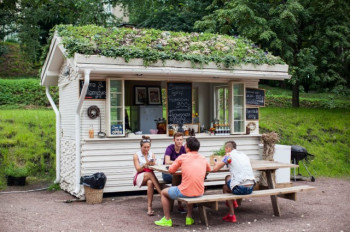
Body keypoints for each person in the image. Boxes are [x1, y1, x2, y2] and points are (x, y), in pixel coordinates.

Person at [155, 137, 211, 227]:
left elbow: (171, 170)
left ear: (187, 148)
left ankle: (167, 219)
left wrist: (181, 166)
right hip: (200, 192)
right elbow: (209, 169)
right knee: (189, 187)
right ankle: (189, 217)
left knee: (163, 192)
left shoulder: (182, 157)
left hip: (185, 191)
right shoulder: (203, 158)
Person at [212, 140, 256, 223]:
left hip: (241, 188)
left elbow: (215, 169)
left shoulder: (229, 156)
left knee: (225, 187)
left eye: (225, 149)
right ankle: (233, 202)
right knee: (228, 177)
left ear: (228, 149)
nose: (225, 150)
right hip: (251, 187)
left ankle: (232, 214)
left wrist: (216, 163)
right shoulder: (244, 155)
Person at [133, 136, 162, 216]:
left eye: (148, 147)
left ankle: (149, 208)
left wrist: (152, 164)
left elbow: (154, 167)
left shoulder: (152, 154)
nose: (146, 149)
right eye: (144, 147)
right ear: (141, 146)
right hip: (139, 176)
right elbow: (138, 169)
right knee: (149, 174)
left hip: (149, 176)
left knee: (150, 182)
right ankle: (161, 193)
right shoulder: (136, 155)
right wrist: (144, 165)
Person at [162, 132, 187, 213]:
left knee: (186, 179)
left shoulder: (183, 149)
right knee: (178, 179)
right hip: (167, 173)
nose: (179, 141)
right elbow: (167, 161)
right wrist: (178, 162)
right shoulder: (170, 148)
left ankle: (191, 201)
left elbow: (187, 161)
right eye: (177, 140)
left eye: (181, 140)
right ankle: (179, 205)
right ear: (174, 140)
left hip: (179, 172)